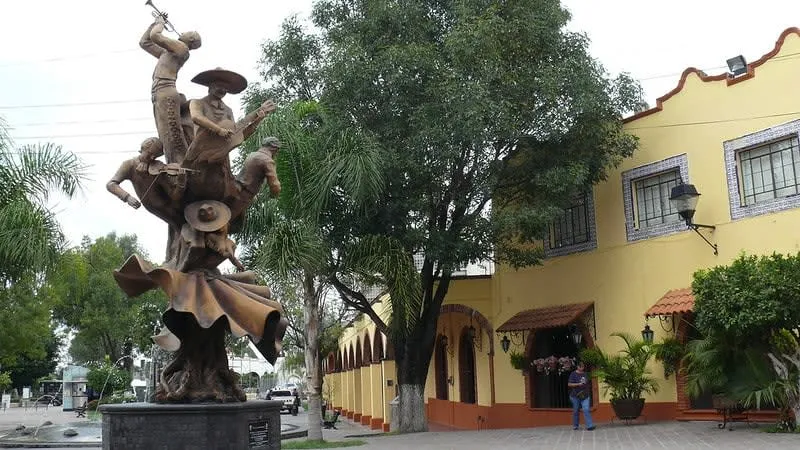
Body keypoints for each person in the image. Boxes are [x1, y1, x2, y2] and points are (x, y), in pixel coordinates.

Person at [139, 17, 202, 164]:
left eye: (189, 32)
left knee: (171, 132)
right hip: (158, 91)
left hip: (165, 91)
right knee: (164, 133)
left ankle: (179, 164)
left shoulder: (182, 48)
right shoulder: (168, 52)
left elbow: (156, 36)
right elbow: (145, 42)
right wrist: (154, 22)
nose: (183, 31)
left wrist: (161, 23)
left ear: (191, 39)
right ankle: (174, 161)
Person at [567, 361, 595, 431]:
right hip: (575, 395)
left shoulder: (585, 374)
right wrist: (578, 384)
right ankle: (575, 425)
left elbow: (587, 383)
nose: (582, 368)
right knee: (576, 410)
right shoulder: (573, 374)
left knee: (586, 409)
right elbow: (569, 384)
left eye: (583, 367)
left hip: (585, 395)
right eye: (580, 367)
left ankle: (589, 426)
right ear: (577, 366)